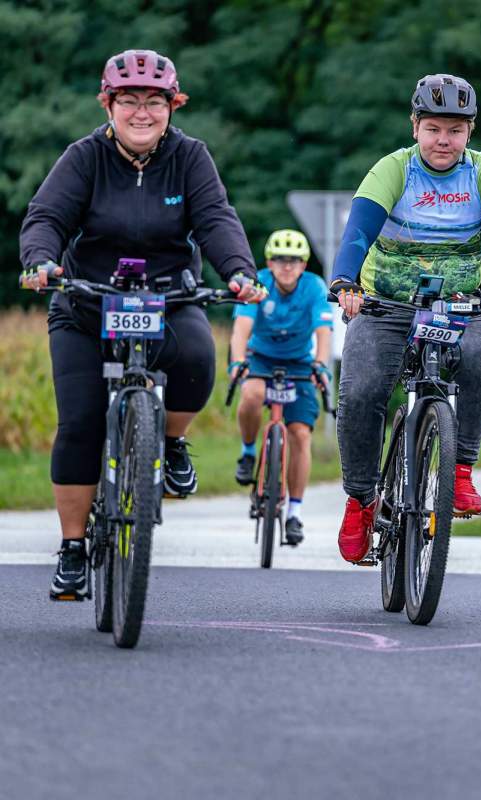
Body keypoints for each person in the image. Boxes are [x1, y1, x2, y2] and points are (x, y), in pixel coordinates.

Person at [19, 49, 264, 600]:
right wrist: (40, 260)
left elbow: (216, 219)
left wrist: (240, 272)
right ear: (108, 104)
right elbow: (48, 217)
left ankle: (171, 442)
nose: (141, 112)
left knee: (200, 361)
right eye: (128, 100)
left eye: (154, 102)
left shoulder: (190, 157)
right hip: (87, 303)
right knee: (80, 425)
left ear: (172, 106)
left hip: (168, 297)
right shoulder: (84, 157)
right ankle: (74, 549)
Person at [329, 73, 481, 563]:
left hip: (457, 303)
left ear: (470, 132)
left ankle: (460, 472)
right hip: (385, 301)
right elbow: (357, 235)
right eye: (433, 128)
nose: (443, 140)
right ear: (414, 127)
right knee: (362, 388)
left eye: (454, 130)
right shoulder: (391, 170)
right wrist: (345, 281)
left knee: (477, 355)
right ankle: (362, 499)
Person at [229, 229, 333, 545]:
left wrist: (322, 365)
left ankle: (295, 514)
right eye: (279, 260)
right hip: (260, 358)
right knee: (251, 394)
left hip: (300, 363)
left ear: (303, 265)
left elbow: (324, 331)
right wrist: (237, 362)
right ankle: (248, 453)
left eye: (294, 260)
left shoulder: (314, 286)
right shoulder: (258, 284)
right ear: (269, 263)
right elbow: (241, 328)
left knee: (301, 432)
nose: (287, 266)